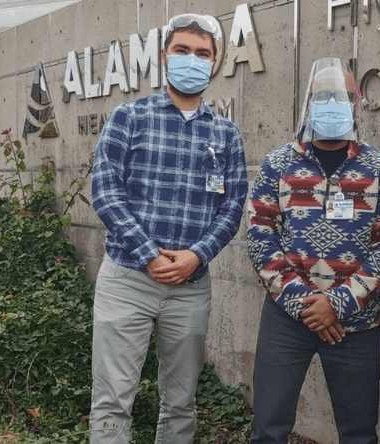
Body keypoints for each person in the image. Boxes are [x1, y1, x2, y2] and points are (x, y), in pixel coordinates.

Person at [88, 13, 247, 444]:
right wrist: (150, 255)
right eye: (182, 51)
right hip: (128, 279)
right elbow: (105, 191)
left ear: (214, 63)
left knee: (181, 403)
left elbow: (232, 208)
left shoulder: (227, 134)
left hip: (191, 287)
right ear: (165, 56)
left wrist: (196, 255)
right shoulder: (129, 117)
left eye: (202, 53)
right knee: (112, 399)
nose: (191, 60)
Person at [246, 57, 380, 444]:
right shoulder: (278, 163)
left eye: (342, 96)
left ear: (356, 103)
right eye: (322, 96)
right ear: (308, 104)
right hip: (287, 319)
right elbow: (259, 235)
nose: (332, 103)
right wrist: (306, 302)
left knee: (358, 433)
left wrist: (337, 303)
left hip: (358, 324)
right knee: (268, 428)